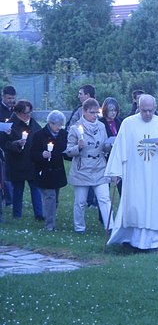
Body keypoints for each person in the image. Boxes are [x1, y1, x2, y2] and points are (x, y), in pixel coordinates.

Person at [105, 94, 158, 250]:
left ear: (155, 108)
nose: (148, 114)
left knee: (154, 205)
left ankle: (156, 241)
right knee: (135, 205)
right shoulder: (128, 124)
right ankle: (131, 239)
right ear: (138, 108)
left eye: (151, 111)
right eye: (144, 110)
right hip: (134, 173)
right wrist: (116, 172)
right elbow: (119, 148)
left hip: (155, 175)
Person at [65, 98, 112, 233]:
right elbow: (68, 151)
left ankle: (110, 226)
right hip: (82, 169)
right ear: (84, 111)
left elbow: (104, 146)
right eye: (92, 113)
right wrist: (78, 148)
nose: (95, 116)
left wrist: (109, 146)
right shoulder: (75, 128)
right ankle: (79, 227)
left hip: (99, 167)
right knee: (80, 201)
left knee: (104, 199)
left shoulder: (101, 126)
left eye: (97, 113)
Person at [1, 100, 43, 220]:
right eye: (26, 113)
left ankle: (39, 214)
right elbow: (5, 145)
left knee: (36, 189)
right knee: (18, 190)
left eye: (30, 112)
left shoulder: (33, 123)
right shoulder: (10, 125)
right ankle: (17, 215)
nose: (28, 115)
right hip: (17, 164)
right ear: (19, 112)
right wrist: (17, 143)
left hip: (32, 162)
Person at [31, 110, 68, 231]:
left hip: (57, 170)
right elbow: (32, 154)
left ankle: (50, 218)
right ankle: (49, 225)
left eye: (61, 125)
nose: (59, 127)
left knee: (55, 199)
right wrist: (42, 154)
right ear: (50, 123)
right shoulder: (39, 135)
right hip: (45, 171)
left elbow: (66, 152)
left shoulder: (63, 134)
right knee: (50, 197)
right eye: (57, 125)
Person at [0, 85, 17, 207]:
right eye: (9, 98)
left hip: (12, 144)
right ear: (3, 96)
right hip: (1, 143)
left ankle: (12, 198)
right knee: (4, 174)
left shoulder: (15, 109)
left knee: (12, 173)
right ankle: (8, 199)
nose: (11, 100)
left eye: (12, 98)